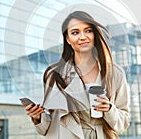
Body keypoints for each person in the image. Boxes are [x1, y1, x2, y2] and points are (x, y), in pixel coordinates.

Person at [22, 11, 130, 139]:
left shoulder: (115, 73)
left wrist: (109, 109)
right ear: (68, 39)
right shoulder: (54, 74)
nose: (83, 37)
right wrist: (38, 117)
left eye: (88, 31)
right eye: (75, 32)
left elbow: (123, 123)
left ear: (94, 34)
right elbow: (47, 126)